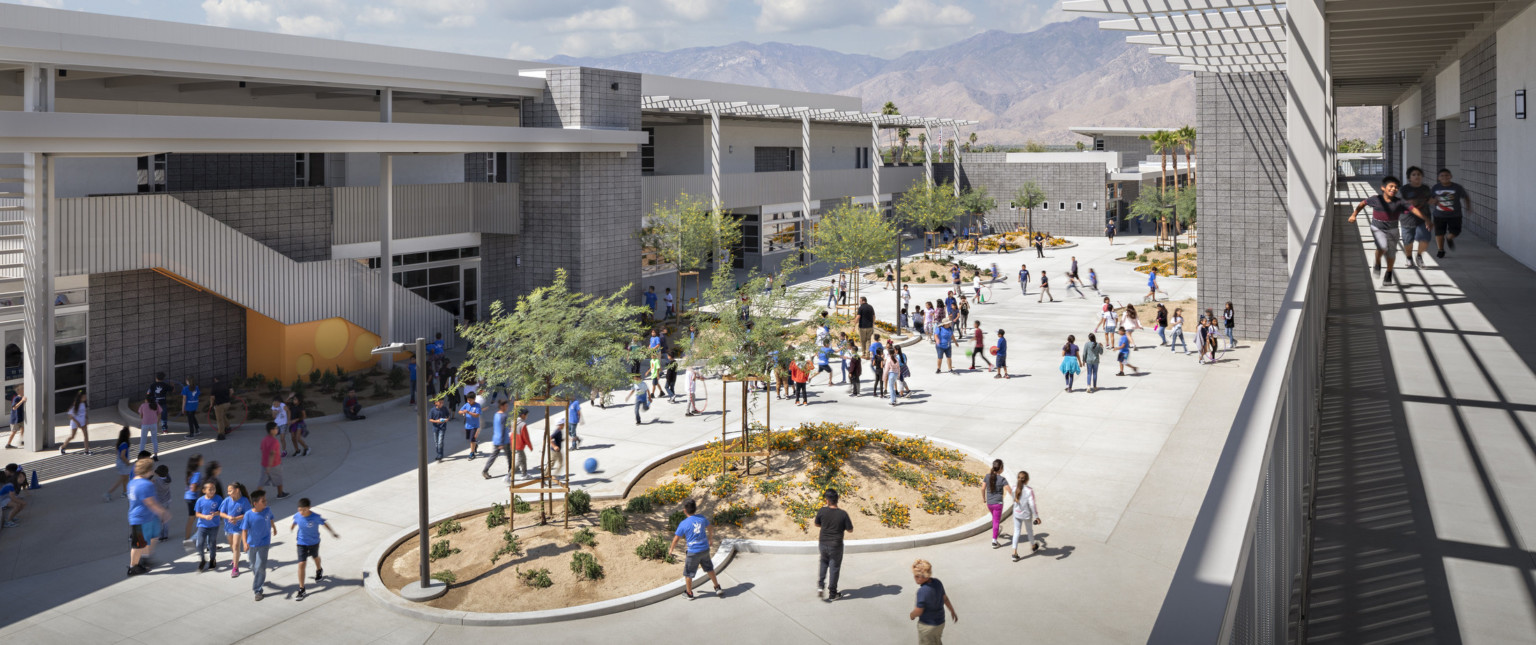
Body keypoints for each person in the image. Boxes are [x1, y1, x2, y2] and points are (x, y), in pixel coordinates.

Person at [1348, 175, 1422, 286]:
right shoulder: (1375, 199)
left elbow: (1412, 209)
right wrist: (1354, 215)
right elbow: (1362, 203)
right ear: (1383, 188)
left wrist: (1423, 217)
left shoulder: (1399, 202)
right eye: (1391, 186)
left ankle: (1389, 272)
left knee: (1391, 252)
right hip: (1377, 227)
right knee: (1382, 247)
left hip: (1393, 229)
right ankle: (1377, 262)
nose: (1393, 189)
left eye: (1396, 187)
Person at [668, 499, 723, 599]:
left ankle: (689, 593)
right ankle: (717, 587)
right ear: (695, 509)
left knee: (688, 573)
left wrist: (671, 550)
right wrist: (710, 539)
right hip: (705, 549)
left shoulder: (683, 523)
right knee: (709, 568)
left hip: (693, 552)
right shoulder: (701, 518)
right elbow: (710, 528)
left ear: (685, 511)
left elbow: (676, 539)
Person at [126, 458, 171, 576]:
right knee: (139, 544)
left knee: (152, 537)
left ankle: (144, 559)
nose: (152, 471)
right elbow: (150, 502)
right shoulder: (145, 485)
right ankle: (133, 567)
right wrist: (163, 512)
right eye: (151, 469)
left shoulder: (132, 482)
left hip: (146, 517)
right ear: (148, 470)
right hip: (142, 519)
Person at [290, 497, 340, 600]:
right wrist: (292, 526)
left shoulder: (315, 517)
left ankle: (319, 569)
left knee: (315, 557)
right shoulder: (298, 515)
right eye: (299, 510)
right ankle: (302, 589)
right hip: (301, 543)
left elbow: (325, 523)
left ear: (309, 508)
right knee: (301, 563)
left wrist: (332, 533)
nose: (301, 512)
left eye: (304, 510)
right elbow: (296, 521)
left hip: (314, 542)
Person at [814, 488, 853, 600]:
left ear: (827, 500)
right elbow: (850, 530)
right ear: (837, 500)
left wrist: (826, 525)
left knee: (823, 562)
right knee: (834, 567)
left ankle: (820, 586)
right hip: (836, 545)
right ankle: (832, 593)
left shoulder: (822, 511)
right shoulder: (843, 514)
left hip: (823, 543)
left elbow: (817, 524)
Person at [239, 489, 276, 601]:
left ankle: (258, 590)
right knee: (253, 566)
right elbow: (244, 530)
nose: (266, 502)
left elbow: (271, 519)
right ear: (255, 503)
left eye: (265, 500)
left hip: (264, 543)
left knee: (260, 567)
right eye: (263, 501)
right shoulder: (248, 515)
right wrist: (245, 543)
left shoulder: (267, 510)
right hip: (251, 545)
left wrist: (274, 527)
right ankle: (259, 578)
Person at [910, 559, 958, 644]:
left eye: (917, 576)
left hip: (927, 626)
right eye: (915, 575)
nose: (915, 578)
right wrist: (952, 611)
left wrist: (912, 615)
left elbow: (919, 610)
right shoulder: (937, 582)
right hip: (940, 623)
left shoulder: (922, 591)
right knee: (937, 641)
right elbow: (945, 598)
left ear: (926, 576)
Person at [1399, 166, 1434, 268]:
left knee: (1425, 239)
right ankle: (1409, 257)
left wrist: (1434, 200)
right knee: (1408, 241)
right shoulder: (1404, 189)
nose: (1417, 176)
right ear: (1409, 178)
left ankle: (1419, 256)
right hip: (1408, 219)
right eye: (1414, 175)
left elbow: (1429, 200)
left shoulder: (1425, 188)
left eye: (1418, 174)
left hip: (1424, 219)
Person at [1431, 168, 1471, 258]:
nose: (1444, 177)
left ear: (1451, 176)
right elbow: (1429, 199)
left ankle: (1449, 238)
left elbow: (1466, 197)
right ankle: (1440, 250)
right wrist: (1433, 201)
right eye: (1442, 176)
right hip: (1439, 215)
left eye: (1447, 175)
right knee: (1439, 232)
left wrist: (1468, 207)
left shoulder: (1457, 187)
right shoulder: (1435, 187)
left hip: (1455, 215)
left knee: (1456, 231)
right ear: (1438, 178)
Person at [1010, 470, 1042, 560]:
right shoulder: (1029, 491)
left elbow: (1014, 499)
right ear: (1027, 480)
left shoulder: (1014, 488)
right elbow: (1032, 504)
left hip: (1016, 513)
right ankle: (1033, 546)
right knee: (1029, 531)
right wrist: (1037, 517)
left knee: (1016, 532)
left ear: (1018, 479)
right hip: (1026, 515)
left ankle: (1014, 553)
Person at [193, 480, 222, 572]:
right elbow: (197, 514)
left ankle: (212, 559)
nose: (212, 491)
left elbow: (222, 511)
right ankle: (202, 559)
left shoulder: (218, 499)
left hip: (214, 526)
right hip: (202, 526)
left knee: (212, 543)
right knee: (199, 544)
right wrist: (205, 516)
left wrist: (216, 513)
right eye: (210, 489)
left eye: (214, 489)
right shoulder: (200, 500)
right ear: (204, 490)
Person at [257, 421, 289, 500]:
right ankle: (280, 493)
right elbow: (272, 454)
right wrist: (269, 466)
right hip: (274, 465)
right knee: (279, 479)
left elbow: (262, 450)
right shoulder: (274, 441)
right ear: (271, 430)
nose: (277, 429)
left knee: (262, 481)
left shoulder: (264, 440)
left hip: (264, 464)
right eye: (276, 428)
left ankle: (257, 498)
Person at [481, 400, 512, 480]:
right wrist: (502, 442)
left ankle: (485, 470)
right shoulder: (504, 416)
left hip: (496, 439)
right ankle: (510, 471)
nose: (507, 407)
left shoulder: (496, 415)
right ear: (502, 406)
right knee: (509, 456)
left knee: (493, 456)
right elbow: (502, 429)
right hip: (503, 440)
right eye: (506, 406)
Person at [983, 460, 1009, 548]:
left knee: (994, 519)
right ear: (1000, 468)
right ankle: (994, 541)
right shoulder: (1002, 479)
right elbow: (1009, 490)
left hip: (989, 503)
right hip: (998, 504)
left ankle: (996, 531)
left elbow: (982, 489)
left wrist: (984, 498)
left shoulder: (987, 476)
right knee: (996, 521)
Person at [104, 427, 133, 502]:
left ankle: (125, 492)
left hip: (119, 463)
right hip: (123, 464)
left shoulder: (119, 443)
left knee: (125, 478)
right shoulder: (125, 444)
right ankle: (109, 492)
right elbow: (122, 456)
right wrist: (127, 462)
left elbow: (117, 453)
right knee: (122, 479)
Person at [181, 453, 204, 541]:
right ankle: (201, 539)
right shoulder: (197, 474)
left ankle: (187, 538)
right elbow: (193, 488)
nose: (203, 461)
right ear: (197, 462)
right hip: (194, 498)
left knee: (191, 518)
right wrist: (202, 487)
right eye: (201, 460)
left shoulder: (190, 472)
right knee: (203, 518)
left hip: (188, 497)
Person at [61, 390, 90, 455]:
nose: (85, 398)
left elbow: (85, 412)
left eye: (85, 396)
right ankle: (63, 447)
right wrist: (77, 423)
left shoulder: (84, 403)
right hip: (75, 423)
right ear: (80, 397)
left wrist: (86, 419)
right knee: (72, 436)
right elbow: (70, 416)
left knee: (86, 436)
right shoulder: (75, 405)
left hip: (83, 422)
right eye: (84, 397)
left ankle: (87, 451)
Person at [459, 395, 482, 460]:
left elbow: (477, 415)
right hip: (467, 425)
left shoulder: (477, 406)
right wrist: (463, 411)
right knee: (469, 439)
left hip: (474, 426)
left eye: (470, 400)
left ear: (474, 399)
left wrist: (468, 412)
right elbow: (459, 411)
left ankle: (472, 453)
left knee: (472, 439)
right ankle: (475, 445)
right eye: (467, 400)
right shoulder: (466, 404)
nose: (468, 401)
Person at [511, 407, 532, 479]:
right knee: (520, 460)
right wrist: (530, 446)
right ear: (523, 415)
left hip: (514, 443)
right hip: (520, 444)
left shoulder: (513, 421)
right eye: (526, 415)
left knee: (523, 459)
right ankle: (509, 475)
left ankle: (524, 473)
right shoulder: (523, 424)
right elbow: (526, 437)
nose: (527, 416)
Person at [0, 464, 23, 528]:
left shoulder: (8, 477)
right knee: (16, 505)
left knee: (19, 505)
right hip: (2, 498)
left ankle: (11, 517)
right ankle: (8, 522)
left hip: (5, 496)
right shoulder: (2, 476)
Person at [287, 393, 309, 457]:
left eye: (295, 399)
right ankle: (297, 451)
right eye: (293, 399)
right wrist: (289, 397)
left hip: (299, 423)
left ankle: (306, 448)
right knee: (293, 438)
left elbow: (304, 416)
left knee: (298, 438)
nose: (294, 400)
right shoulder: (292, 405)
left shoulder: (301, 407)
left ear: (299, 401)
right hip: (293, 423)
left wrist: (296, 420)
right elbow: (285, 403)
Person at [429, 399, 450, 463]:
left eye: (442, 402)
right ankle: (439, 452)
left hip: (442, 427)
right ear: (436, 403)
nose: (442, 404)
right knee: (436, 442)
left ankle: (440, 455)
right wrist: (436, 421)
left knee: (440, 441)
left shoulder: (444, 408)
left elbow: (448, 415)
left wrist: (446, 419)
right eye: (440, 402)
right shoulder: (432, 410)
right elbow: (430, 419)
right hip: (435, 428)